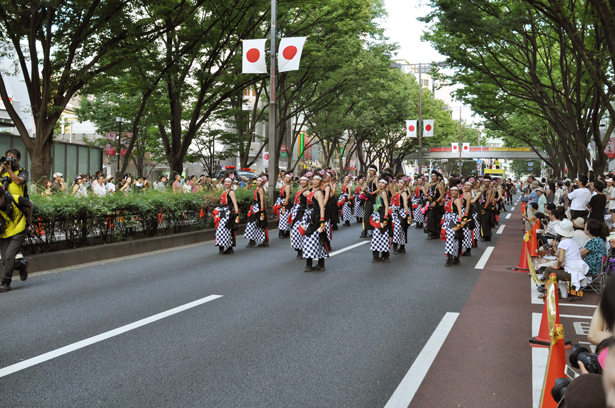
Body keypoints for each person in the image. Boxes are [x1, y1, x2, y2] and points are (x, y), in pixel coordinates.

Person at [539, 219, 590, 293]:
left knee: (548, 270)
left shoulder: (563, 243)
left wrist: (557, 266)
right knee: (554, 269)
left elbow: (560, 259)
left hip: (571, 272)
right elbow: (560, 256)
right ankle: (554, 289)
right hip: (578, 271)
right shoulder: (574, 242)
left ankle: (546, 290)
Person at [0, 186, 34, 292]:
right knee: (5, 261)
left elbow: (30, 203)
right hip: (4, 234)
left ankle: (6, 283)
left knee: (10, 256)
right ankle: (21, 264)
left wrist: (29, 219)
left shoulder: (16, 198)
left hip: (18, 230)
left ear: (2, 196)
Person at [301, 172, 329, 272]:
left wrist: (322, 220)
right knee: (310, 240)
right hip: (308, 217)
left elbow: (322, 207)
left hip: (316, 218)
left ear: (320, 182)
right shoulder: (310, 191)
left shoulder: (319, 192)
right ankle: (315, 264)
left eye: (317, 180)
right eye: (314, 179)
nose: (315, 181)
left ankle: (314, 264)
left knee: (315, 240)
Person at [213, 172, 240, 255]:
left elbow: (235, 203)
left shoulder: (231, 192)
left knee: (224, 230)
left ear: (231, 183)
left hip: (227, 213)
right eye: (226, 182)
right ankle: (225, 248)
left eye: (229, 182)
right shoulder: (224, 191)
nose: (227, 183)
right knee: (221, 230)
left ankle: (227, 247)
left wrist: (237, 214)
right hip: (221, 212)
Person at [370, 177, 392, 263]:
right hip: (378, 215)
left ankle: (382, 256)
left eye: (383, 183)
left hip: (382, 216)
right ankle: (381, 255)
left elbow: (386, 206)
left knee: (382, 235)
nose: (380, 184)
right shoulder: (379, 192)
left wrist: (385, 218)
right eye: (379, 183)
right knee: (378, 235)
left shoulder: (383, 193)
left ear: (386, 185)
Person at [245, 175, 269, 248]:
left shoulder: (261, 190)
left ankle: (256, 241)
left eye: (259, 181)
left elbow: (262, 200)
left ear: (262, 182)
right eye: (257, 180)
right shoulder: (258, 189)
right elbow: (264, 200)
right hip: (256, 207)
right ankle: (255, 240)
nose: (258, 182)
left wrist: (262, 211)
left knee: (257, 223)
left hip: (258, 208)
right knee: (256, 224)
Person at [290, 174, 310, 259]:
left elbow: (310, 203)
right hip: (296, 212)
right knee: (294, 232)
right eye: (301, 180)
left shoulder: (307, 191)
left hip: (303, 213)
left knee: (301, 231)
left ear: (308, 182)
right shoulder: (299, 190)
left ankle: (303, 250)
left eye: (304, 180)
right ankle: (299, 249)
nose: (302, 182)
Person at [443, 184, 463, 266]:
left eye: (455, 190)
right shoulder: (450, 199)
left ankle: (450, 259)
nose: (453, 192)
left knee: (450, 240)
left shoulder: (457, 200)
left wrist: (459, 222)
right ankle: (456, 258)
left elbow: (460, 211)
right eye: (452, 190)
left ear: (457, 192)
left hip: (453, 221)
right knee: (453, 240)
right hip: (448, 220)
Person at [391, 176, 410, 254]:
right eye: (398, 183)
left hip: (401, 213)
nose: (399, 184)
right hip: (394, 213)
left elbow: (405, 204)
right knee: (397, 229)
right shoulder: (396, 193)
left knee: (400, 229)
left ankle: (396, 246)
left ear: (404, 184)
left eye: (401, 183)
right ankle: (401, 247)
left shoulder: (404, 193)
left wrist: (407, 215)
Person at [425, 170, 446, 240]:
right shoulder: (430, 184)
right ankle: (433, 233)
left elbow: (442, 194)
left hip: (436, 203)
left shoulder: (438, 185)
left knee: (433, 217)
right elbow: (427, 193)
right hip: (430, 202)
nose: (433, 177)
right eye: (432, 176)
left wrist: (436, 202)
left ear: (437, 177)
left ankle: (433, 233)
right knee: (430, 217)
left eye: (434, 176)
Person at [360, 165, 378, 238]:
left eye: (371, 171)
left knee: (372, 214)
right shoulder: (368, 179)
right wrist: (362, 190)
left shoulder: (375, 179)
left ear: (374, 171)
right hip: (367, 198)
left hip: (373, 199)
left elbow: (378, 189)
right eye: (369, 170)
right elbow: (365, 187)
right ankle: (365, 230)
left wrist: (371, 193)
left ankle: (373, 229)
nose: (370, 172)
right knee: (366, 214)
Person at [275, 172, 293, 238]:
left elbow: (287, 196)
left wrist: (284, 206)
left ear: (290, 179)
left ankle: (283, 232)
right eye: (285, 177)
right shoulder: (284, 185)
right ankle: (285, 232)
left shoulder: (288, 186)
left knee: (284, 218)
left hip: (285, 203)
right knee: (283, 217)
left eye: (288, 177)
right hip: (282, 202)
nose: (286, 179)